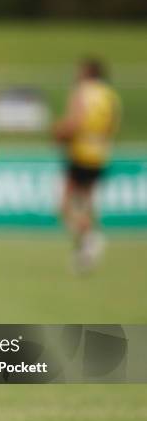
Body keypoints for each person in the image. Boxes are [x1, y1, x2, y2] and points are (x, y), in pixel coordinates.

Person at [53, 58, 121, 273]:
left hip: (80, 154)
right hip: (99, 154)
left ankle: (90, 238)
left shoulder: (81, 92)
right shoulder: (110, 95)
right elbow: (112, 125)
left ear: (87, 72)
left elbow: (75, 122)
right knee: (87, 202)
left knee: (64, 204)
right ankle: (84, 247)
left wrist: (59, 132)